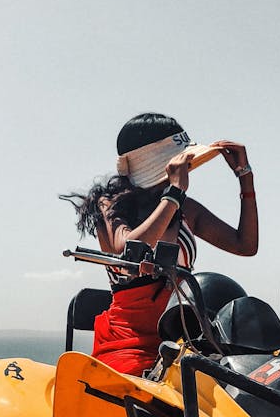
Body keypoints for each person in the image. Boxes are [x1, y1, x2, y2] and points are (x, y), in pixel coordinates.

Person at [67, 112, 259, 376]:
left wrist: (244, 176)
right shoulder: (110, 204)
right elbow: (128, 250)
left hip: (184, 331)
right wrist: (174, 194)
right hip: (131, 340)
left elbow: (245, 245)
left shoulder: (183, 207)